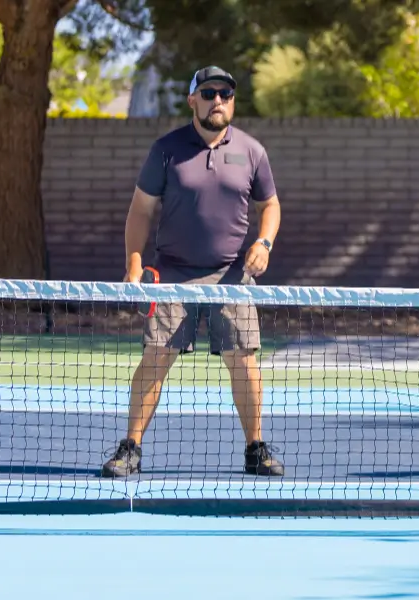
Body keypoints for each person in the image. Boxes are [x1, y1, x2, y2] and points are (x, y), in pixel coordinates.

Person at [101, 66, 286, 478]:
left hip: (232, 276)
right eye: (208, 93)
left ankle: (255, 449)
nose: (217, 100)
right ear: (192, 100)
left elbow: (270, 205)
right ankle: (131, 447)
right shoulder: (166, 150)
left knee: (244, 361)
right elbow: (140, 210)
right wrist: (134, 263)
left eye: (225, 94)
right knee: (156, 357)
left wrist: (264, 243)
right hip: (172, 274)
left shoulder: (252, 151)